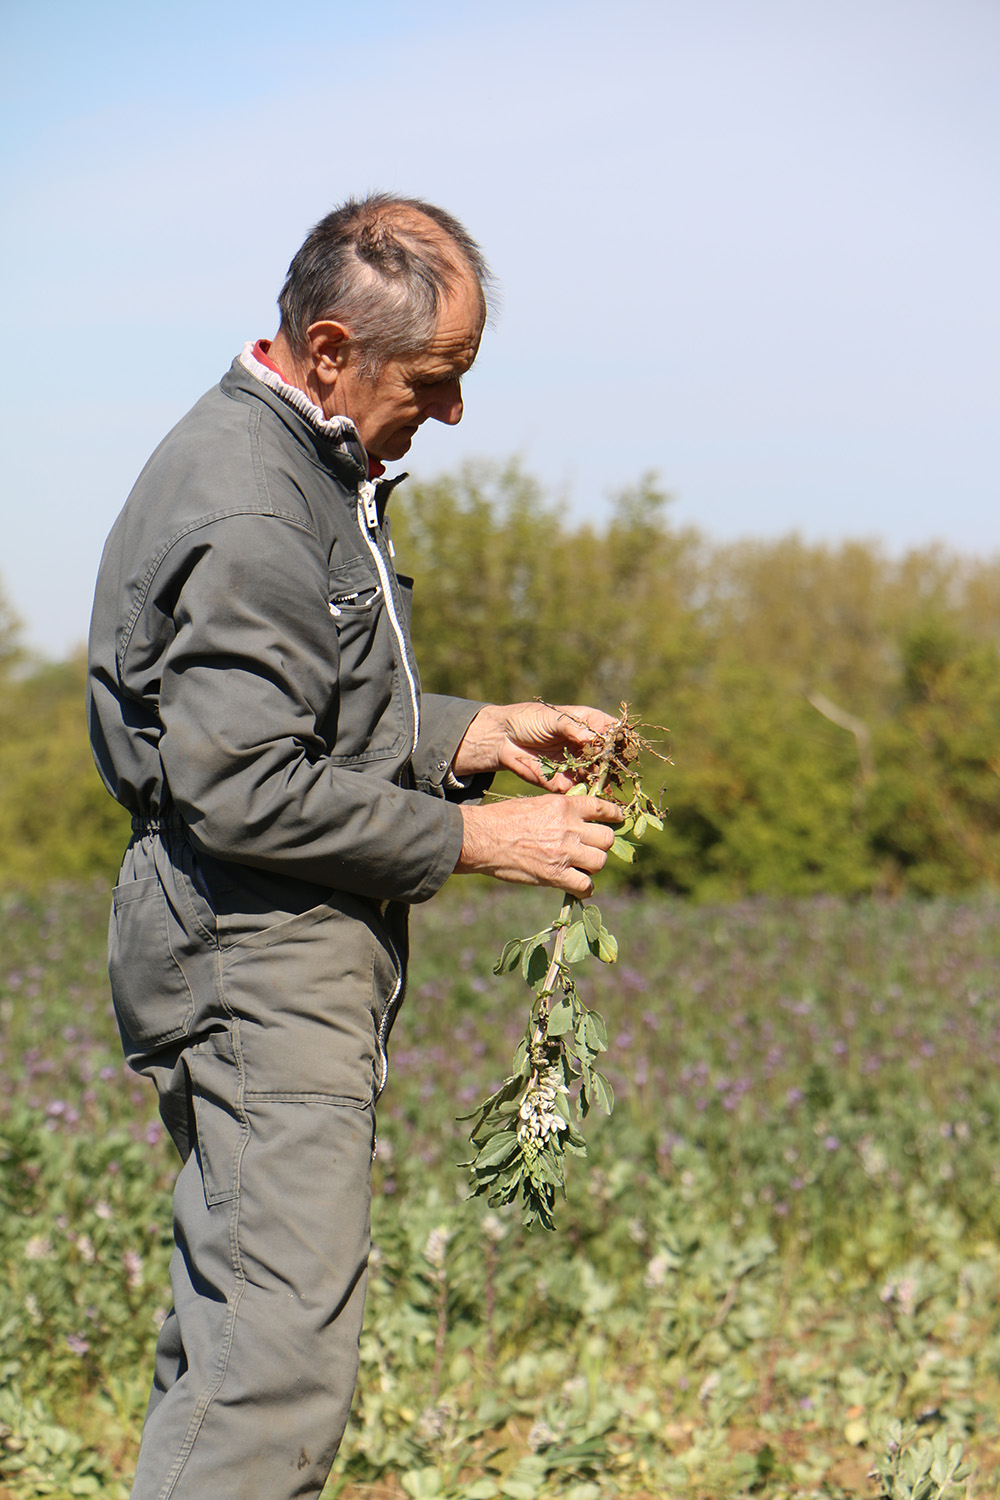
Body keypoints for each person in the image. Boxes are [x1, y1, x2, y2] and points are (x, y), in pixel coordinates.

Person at [87, 193, 620, 1500]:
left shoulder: (298, 462)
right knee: (273, 1370)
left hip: (266, 943)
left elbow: (301, 705)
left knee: (239, 1334)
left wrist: (470, 731)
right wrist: (478, 839)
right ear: (331, 350)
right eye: (434, 384)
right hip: (252, 949)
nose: (449, 418)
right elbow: (244, 787)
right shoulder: (257, 504)